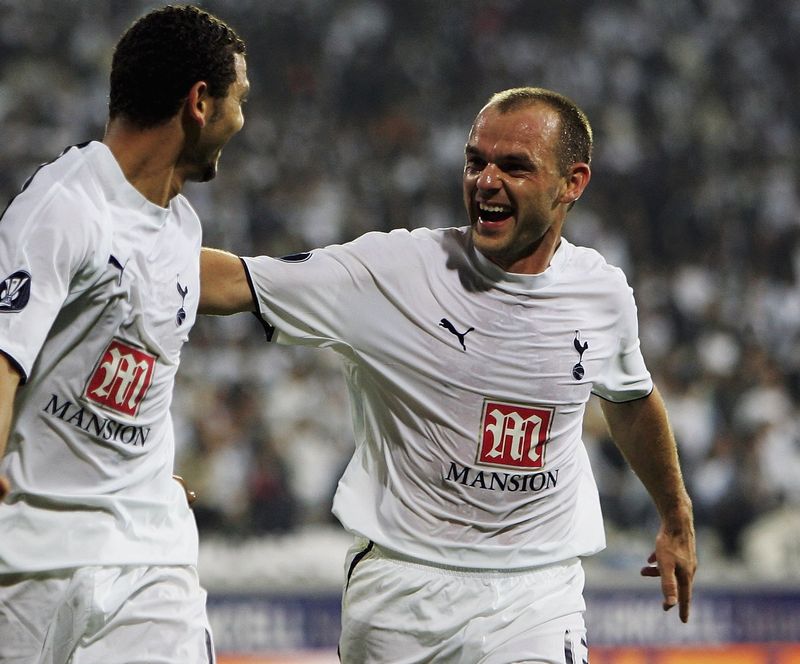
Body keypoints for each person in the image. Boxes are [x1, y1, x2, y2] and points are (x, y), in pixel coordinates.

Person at [200, 87, 696, 662]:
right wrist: (123, 250)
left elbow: (630, 399)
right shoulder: (394, 272)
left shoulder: (601, 292)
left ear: (572, 183)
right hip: (401, 593)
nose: (486, 181)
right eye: (475, 161)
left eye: (514, 167)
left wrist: (675, 514)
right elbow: (235, 282)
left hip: (537, 593)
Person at [0, 5, 249, 662]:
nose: (240, 121)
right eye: (239, 100)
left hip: (150, 557)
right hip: (33, 556)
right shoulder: (64, 206)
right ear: (200, 102)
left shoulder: (181, 227)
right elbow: (3, 353)